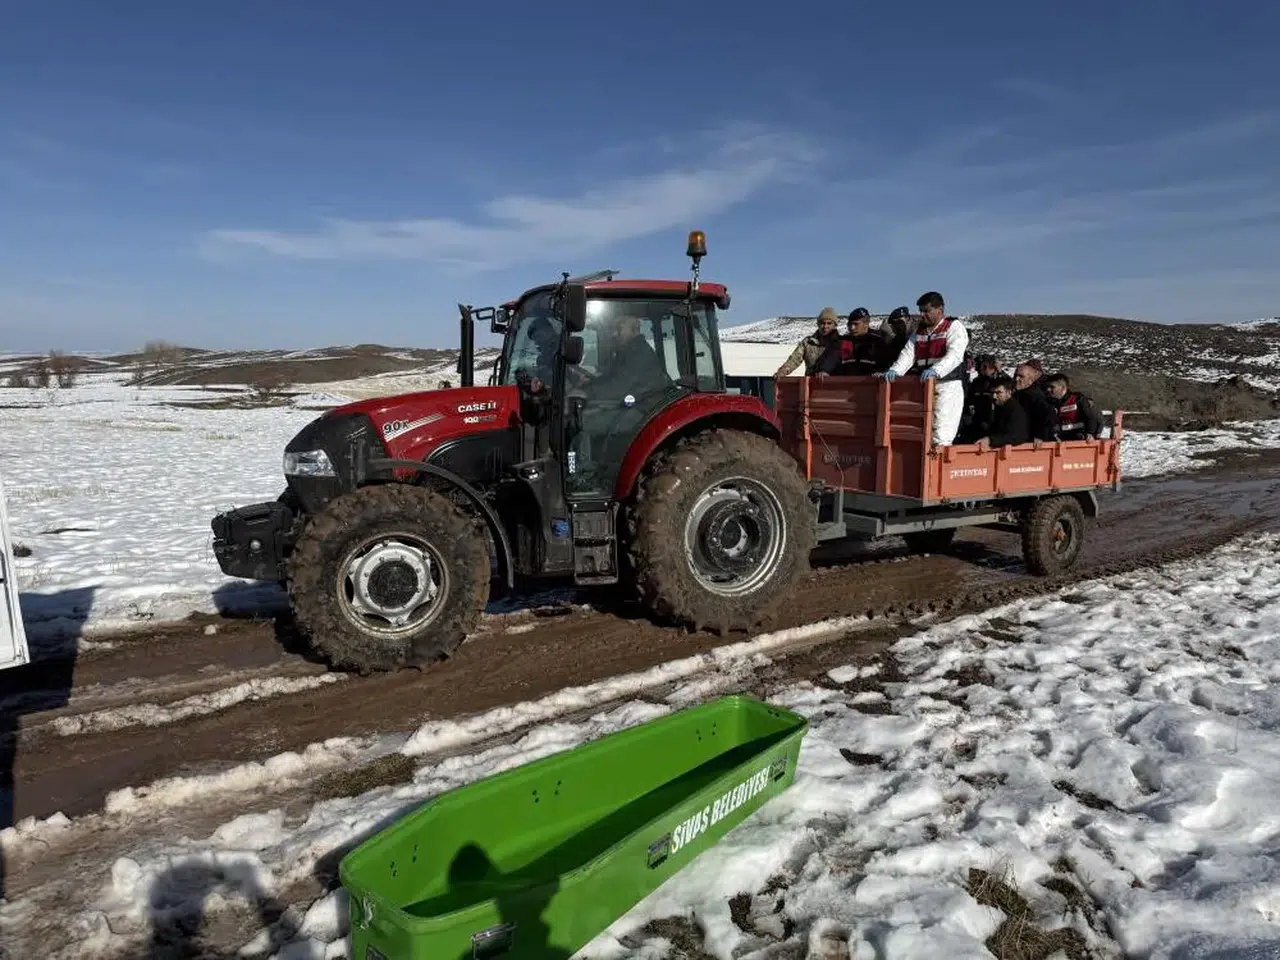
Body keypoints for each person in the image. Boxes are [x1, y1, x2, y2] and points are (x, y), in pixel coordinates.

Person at [880, 291, 970, 447]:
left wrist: (936, 370)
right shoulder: (920, 331)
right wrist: (895, 370)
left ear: (940, 309)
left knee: (941, 432)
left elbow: (955, 355)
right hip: (923, 385)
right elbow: (908, 354)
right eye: (920, 311)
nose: (922, 315)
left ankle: (937, 466)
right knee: (921, 430)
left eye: (926, 311)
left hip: (947, 386)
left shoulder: (954, 327)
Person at [814, 307, 891, 376]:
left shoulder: (877, 341)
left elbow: (885, 361)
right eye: (850, 324)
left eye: (856, 324)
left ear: (866, 324)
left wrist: (882, 371)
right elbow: (832, 357)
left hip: (871, 386)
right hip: (846, 386)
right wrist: (825, 370)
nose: (852, 328)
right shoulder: (842, 341)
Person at [776, 307, 842, 377]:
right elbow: (795, 359)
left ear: (835, 325)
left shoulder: (840, 342)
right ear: (818, 324)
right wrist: (783, 371)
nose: (825, 326)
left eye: (829, 323)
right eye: (822, 323)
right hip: (810, 383)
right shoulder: (807, 342)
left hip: (833, 383)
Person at [978, 375, 1030, 449]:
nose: (994, 396)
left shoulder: (1015, 410)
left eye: (998, 393)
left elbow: (1016, 436)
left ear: (1008, 392)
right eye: (992, 393)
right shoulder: (999, 406)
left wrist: (991, 440)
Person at [1045, 373, 1103, 439]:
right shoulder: (1050, 403)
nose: (1048, 390)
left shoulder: (1078, 399)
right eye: (1048, 387)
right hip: (1059, 439)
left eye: (1052, 387)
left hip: (1078, 439)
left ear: (1063, 387)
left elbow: (1091, 418)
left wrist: (1090, 433)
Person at [1013, 362, 1058, 441]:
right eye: (1016, 375)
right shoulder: (1017, 394)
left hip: (1032, 444)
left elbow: (1049, 414)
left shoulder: (1036, 396)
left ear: (1030, 380)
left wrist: (1040, 436)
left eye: (1021, 376)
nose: (1016, 379)